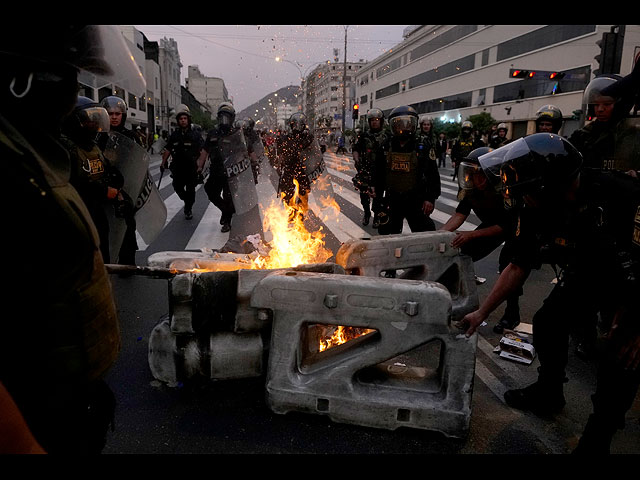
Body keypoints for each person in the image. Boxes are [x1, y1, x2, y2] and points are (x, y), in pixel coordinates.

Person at [457, 133, 640, 454]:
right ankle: (549, 391)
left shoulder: (622, 196)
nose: (520, 197)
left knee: (623, 356)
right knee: (548, 321)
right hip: (585, 272)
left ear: (552, 185)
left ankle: (599, 435)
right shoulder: (535, 204)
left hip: (632, 282)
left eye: (525, 190)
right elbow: (517, 265)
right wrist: (481, 312)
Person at [1, 24, 130, 454]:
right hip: (37, 411)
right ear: (21, 79)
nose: (74, 88)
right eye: (66, 72)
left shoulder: (32, 148)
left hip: (66, 394)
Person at [442, 147, 522, 332]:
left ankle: (512, 313)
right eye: (467, 170)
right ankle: (460, 303)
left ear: (488, 174)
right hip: (491, 226)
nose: (468, 176)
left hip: (515, 229)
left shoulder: (506, 189)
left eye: (474, 172)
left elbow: (505, 227)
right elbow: (460, 214)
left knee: (509, 265)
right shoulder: (471, 188)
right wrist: (440, 235)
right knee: (462, 254)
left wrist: (471, 234)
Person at [60, 96, 125, 264]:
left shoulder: (91, 145)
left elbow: (107, 169)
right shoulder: (65, 148)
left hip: (96, 209)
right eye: (88, 120)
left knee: (102, 251)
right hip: (76, 212)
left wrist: (116, 182)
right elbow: (74, 182)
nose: (94, 125)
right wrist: (105, 191)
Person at [377, 105, 441, 235]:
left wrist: (430, 198)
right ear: (393, 126)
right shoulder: (386, 145)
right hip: (392, 198)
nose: (403, 128)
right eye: (399, 124)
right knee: (387, 236)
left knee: (425, 235)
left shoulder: (422, 144)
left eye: (407, 124)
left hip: (416, 198)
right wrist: (377, 196)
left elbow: (432, 174)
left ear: (413, 124)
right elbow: (378, 172)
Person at [99, 95, 141, 265]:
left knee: (128, 226)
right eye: (110, 113)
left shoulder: (130, 136)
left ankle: (128, 260)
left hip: (125, 188)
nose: (114, 117)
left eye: (117, 114)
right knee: (103, 226)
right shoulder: (98, 136)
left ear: (123, 115)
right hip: (104, 188)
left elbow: (139, 162)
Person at [199, 102, 239, 232]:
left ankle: (227, 222)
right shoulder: (213, 133)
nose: (224, 120)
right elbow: (205, 151)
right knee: (210, 191)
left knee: (229, 197)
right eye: (222, 116)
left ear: (232, 117)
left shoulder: (236, 134)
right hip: (216, 170)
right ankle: (225, 210)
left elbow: (242, 152)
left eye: (227, 116)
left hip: (231, 171)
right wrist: (199, 167)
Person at [160, 104, 203, 220]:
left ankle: (188, 209)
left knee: (191, 191)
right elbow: (168, 149)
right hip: (178, 168)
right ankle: (187, 200)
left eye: (185, 118)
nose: (183, 121)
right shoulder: (174, 135)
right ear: (178, 121)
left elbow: (202, 151)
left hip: (191, 169)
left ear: (188, 120)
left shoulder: (195, 135)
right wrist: (163, 162)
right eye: (181, 119)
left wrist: (201, 166)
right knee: (177, 187)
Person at [352, 108, 387, 227]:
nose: (374, 122)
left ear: (381, 121)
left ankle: (377, 215)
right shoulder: (364, 136)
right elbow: (355, 149)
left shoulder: (387, 137)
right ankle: (367, 213)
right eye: (372, 120)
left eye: (377, 120)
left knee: (378, 196)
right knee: (364, 196)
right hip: (365, 171)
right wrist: (356, 159)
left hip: (380, 172)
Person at [275, 112, 314, 222]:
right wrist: (279, 165)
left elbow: (313, 153)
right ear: (292, 125)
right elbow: (282, 154)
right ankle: (292, 212)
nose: (297, 127)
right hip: (289, 168)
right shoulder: (286, 138)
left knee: (303, 193)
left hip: (303, 169)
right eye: (295, 125)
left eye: (299, 125)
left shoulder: (308, 138)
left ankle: (300, 213)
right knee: (287, 192)